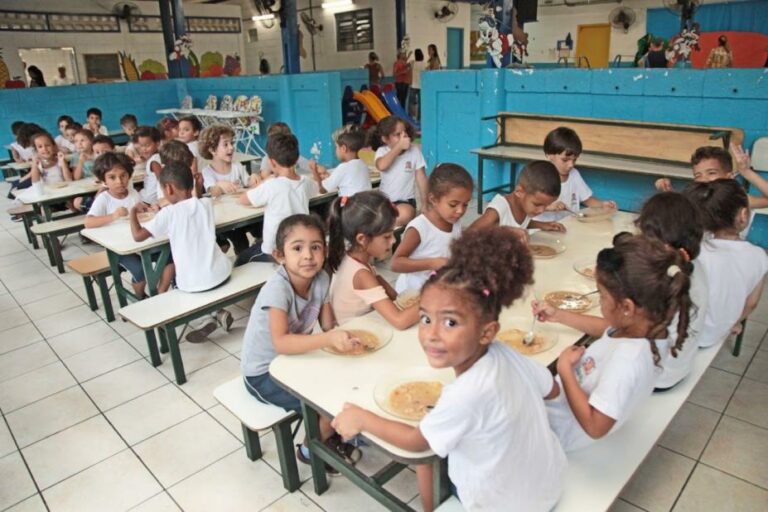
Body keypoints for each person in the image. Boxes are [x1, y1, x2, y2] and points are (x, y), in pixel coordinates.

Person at [333, 226, 566, 512]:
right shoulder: (505, 353)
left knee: (430, 459)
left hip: (507, 503)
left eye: (451, 323)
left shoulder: (467, 393)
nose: (431, 334)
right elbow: (551, 388)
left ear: (486, 332)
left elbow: (417, 442)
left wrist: (362, 418)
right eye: (425, 318)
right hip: (547, 480)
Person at [535, 192, 707, 390]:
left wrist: (564, 369)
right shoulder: (689, 268)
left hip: (654, 378)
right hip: (677, 367)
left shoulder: (658, 284)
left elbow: (613, 326)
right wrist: (559, 315)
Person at [240, 214, 363, 474]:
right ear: (279, 255)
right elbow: (282, 342)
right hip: (264, 373)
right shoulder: (278, 290)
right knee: (326, 405)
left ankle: (334, 432)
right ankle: (310, 450)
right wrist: (329, 339)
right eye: (297, 248)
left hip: (292, 361)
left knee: (352, 380)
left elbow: (329, 325)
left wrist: (344, 338)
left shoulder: (320, 279)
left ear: (324, 250)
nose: (308, 255)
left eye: (315, 247)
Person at [545, 234, 691, 452]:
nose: (600, 302)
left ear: (627, 307)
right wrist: (558, 315)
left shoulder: (627, 361)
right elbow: (605, 327)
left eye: (602, 296)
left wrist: (565, 370)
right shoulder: (644, 328)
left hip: (557, 432)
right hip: (561, 408)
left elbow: (596, 427)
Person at [130, 161, 234, 340]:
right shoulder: (206, 204)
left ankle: (206, 317)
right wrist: (198, 187)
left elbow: (138, 236)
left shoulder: (168, 214)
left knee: (183, 284)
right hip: (222, 272)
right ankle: (217, 313)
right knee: (201, 277)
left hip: (194, 282)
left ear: (168, 189)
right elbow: (198, 201)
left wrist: (132, 212)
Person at [682, 180, 768, 348]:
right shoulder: (759, 255)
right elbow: (751, 303)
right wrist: (733, 323)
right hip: (715, 335)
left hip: (685, 336)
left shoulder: (695, 251)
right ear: (743, 215)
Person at [327, 190, 420, 328]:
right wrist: (430, 300)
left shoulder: (353, 257)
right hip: (356, 336)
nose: (394, 240)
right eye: (387, 236)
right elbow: (399, 321)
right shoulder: (361, 274)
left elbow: (392, 295)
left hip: (361, 327)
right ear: (362, 239)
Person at [85, 153, 169, 298]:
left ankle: (160, 295)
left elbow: (139, 211)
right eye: (112, 177)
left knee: (168, 256)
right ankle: (140, 296)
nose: (119, 181)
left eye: (123, 176)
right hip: (118, 248)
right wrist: (113, 216)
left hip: (137, 242)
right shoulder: (104, 199)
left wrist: (149, 209)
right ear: (103, 180)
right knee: (140, 270)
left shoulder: (133, 193)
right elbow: (88, 222)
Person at [391, 163, 473, 293]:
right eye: (453, 205)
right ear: (433, 199)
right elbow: (396, 264)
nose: (460, 211)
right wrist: (431, 263)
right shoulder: (419, 228)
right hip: (413, 292)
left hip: (437, 290)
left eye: (465, 205)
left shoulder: (454, 223)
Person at [237, 133, 318, 263]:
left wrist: (263, 182)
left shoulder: (271, 185)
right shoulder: (305, 182)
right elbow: (317, 188)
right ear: (297, 158)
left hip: (275, 251)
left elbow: (243, 199)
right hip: (299, 246)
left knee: (241, 259)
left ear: (272, 162)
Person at [656, 144, 768, 237]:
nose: (704, 179)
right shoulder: (696, 198)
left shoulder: (736, 200)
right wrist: (668, 193)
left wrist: (746, 172)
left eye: (711, 173)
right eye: (698, 175)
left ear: (729, 176)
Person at [535, 127, 617, 222]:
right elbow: (528, 206)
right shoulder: (539, 177)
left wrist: (602, 204)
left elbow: (587, 199)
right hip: (542, 230)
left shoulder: (574, 174)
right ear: (548, 155)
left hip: (567, 228)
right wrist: (549, 207)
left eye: (574, 160)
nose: (571, 165)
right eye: (565, 160)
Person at [470, 160, 566, 236]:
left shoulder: (525, 206)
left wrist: (542, 225)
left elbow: (520, 223)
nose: (541, 210)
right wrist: (506, 231)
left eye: (546, 205)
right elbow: (471, 232)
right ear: (519, 192)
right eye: (537, 204)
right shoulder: (499, 208)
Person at [369, 116, 428, 226]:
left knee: (403, 216)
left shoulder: (414, 151)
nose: (404, 136)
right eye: (397, 134)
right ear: (385, 139)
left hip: (405, 202)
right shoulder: (382, 151)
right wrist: (399, 147)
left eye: (404, 131)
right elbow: (381, 166)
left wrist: (425, 203)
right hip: (383, 201)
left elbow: (422, 179)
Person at [308, 126, 371, 196]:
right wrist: (329, 176)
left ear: (344, 148)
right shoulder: (363, 164)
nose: (335, 150)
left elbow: (322, 190)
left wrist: (314, 170)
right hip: (365, 203)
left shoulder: (343, 167)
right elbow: (344, 182)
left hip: (351, 205)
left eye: (336, 147)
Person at [156, 140, 202, 206]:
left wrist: (198, 186)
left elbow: (197, 199)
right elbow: (161, 202)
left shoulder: (189, 176)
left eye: (187, 167)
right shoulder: (165, 179)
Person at [133, 126, 163, 205]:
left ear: (157, 143)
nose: (144, 149)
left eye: (147, 145)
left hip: (149, 200)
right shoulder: (158, 157)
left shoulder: (154, 162)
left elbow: (162, 180)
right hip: (150, 198)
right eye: (141, 146)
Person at [409, 49, 426, 120]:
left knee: (411, 102)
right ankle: (419, 117)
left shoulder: (413, 63)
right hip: (422, 85)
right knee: (421, 103)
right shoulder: (424, 64)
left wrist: (408, 55)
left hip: (413, 85)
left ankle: (412, 116)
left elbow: (409, 70)